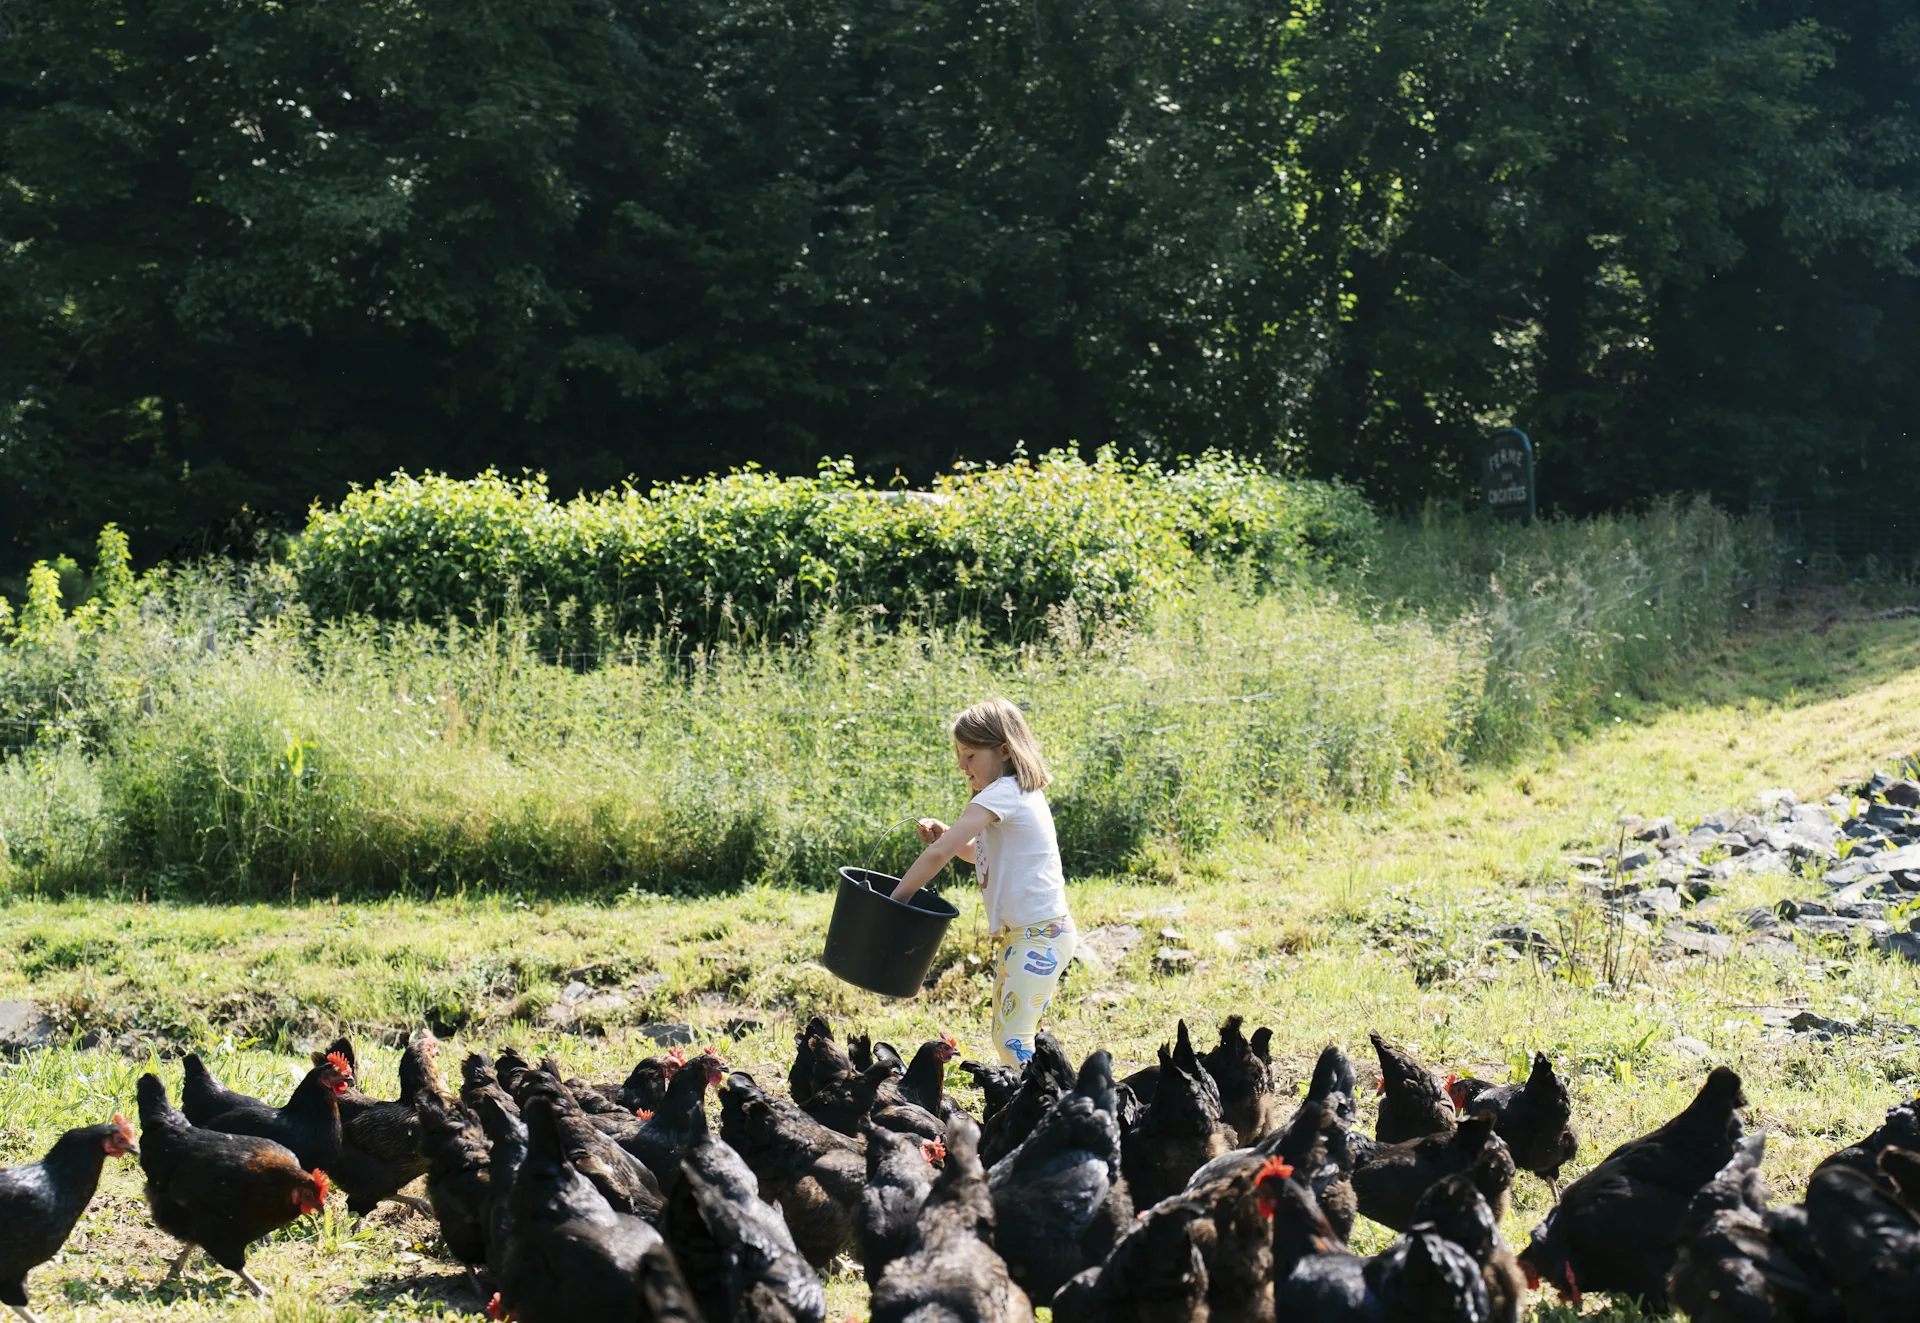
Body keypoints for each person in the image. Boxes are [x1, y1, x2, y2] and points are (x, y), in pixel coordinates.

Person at [890, 698, 1076, 1066]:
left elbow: (938, 854)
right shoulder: (1016, 794)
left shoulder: (1003, 793)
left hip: (1039, 936)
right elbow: (979, 853)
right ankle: (1043, 1106)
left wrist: (896, 900)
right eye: (960, 755)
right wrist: (949, 835)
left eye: (971, 754)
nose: (961, 765)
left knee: (1012, 1039)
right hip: (1028, 936)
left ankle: (1046, 1113)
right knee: (1008, 1037)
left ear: (1004, 750)